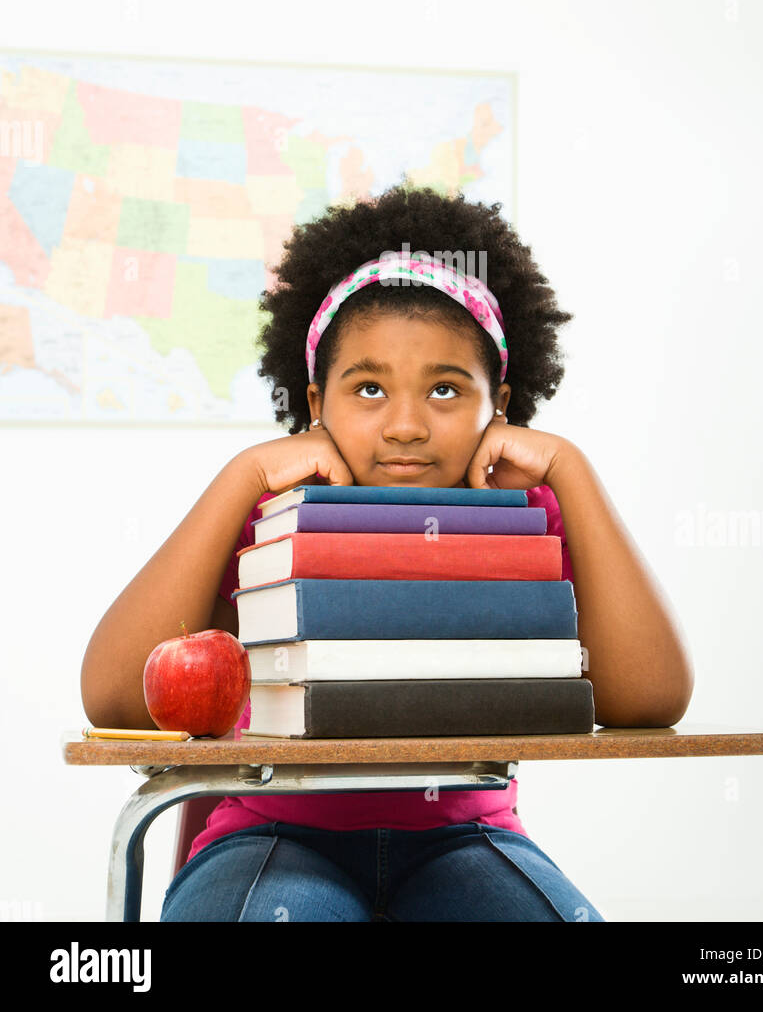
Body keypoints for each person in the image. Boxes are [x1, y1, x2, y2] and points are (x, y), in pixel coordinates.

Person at [80, 182, 694, 921]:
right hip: (273, 836)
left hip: (465, 838)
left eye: (444, 389)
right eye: (368, 388)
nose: (405, 425)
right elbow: (115, 697)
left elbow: (649, 701)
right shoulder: (272, 522)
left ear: (497, 404)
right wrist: (239, 480)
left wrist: (571, 470)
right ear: (315, 404)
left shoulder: (526, 520)